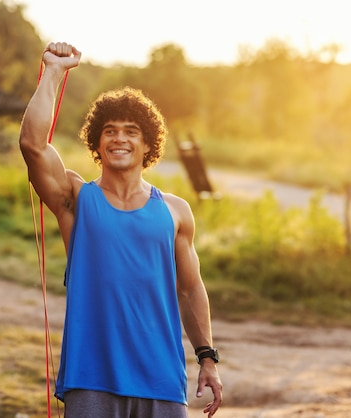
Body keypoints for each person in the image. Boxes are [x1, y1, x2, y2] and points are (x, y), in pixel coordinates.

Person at [19, 41, 223, 418]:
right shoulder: (76, 200)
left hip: (161, 379)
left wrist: (207, 358)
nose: (119, 139)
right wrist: (53, 71)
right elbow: (33, 145)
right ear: (98, 142)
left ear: (147, 144)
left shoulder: (176, 212)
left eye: (131, 131)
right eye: (110, 131)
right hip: (91, 377)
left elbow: (190, 287)